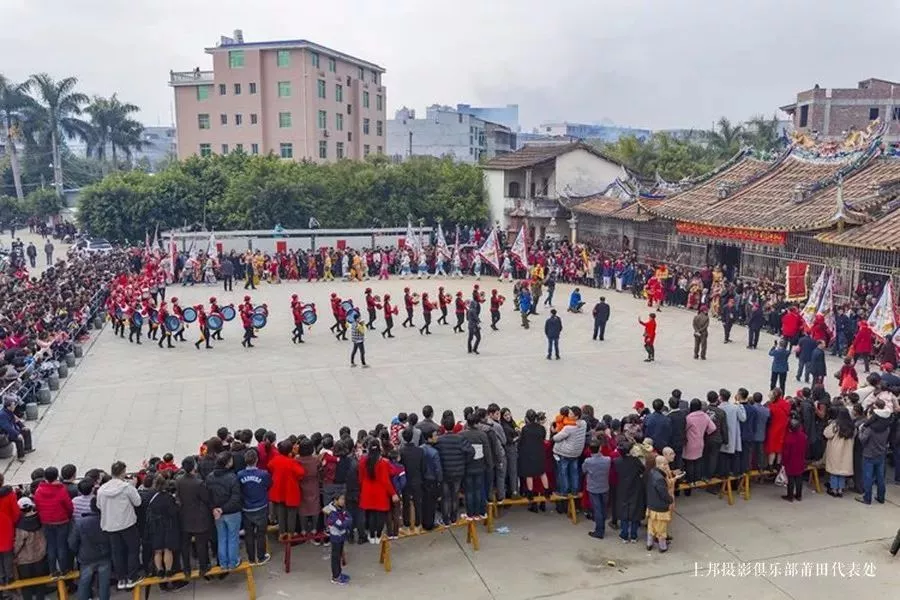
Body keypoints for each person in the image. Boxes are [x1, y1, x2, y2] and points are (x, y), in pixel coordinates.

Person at [97, 461, 142, 589]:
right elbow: (138, 502)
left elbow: (99, 506)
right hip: (127, 523)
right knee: (133, 549)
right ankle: (132, 577)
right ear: (123, 472)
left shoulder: (102, 489)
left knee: (116, 552)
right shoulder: (127, 487)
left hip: (110, 525)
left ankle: (121, 579)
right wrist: (134, 486)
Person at [33, 466, 74, 578]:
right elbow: (69, 506)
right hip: (61, 521)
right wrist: (68, 516)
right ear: (57, 476)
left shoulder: (39, 491)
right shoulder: (61, 490)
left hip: (46, 522)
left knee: (51, 546)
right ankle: (64, 569)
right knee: (61, 545)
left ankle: (53, 570)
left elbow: (37, 506)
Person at [176, 457, 212, 577]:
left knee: (185, 545)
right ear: (194, 467)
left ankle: (187, 569)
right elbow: (206, 498)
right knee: (201, 544)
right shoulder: (198, 483)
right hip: (199, 517)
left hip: (184, 516)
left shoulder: (179, 481)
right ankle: (203, 567)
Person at [69, 498, 111, 600]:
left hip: (86, 557)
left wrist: (77, 553)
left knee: (84, 583)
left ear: (91, 507)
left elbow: (72, 542)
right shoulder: (107, 520)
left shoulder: (80, 523)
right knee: (104, 584)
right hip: (104, 555)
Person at [205, 452, 242, 570]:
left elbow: (208, 496)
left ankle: (223, 563)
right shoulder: (232, 477)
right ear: (227, 463)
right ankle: (233, 562)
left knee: (221, 538)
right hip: (232, 512)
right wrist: (223, 509)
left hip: (217, 513)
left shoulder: (209, 477)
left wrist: (214, 509)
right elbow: (235, 497)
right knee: (233, 538)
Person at [433, 413, 472, 525]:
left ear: (444, 426)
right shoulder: (460, 438)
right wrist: (464, 462)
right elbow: (471, 451)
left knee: (445, 497)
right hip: (458, 470)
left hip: (445, 471)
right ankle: (454, 517)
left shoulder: (439, 440)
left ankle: (446, 519)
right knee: (455, 495)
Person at [237, 448, 272, 565]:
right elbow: (269, 485)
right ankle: (261, 557)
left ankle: (251, 558)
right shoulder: (264, 474)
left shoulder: (240, 475)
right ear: (257, 460)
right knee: (261, 533)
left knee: (249, 534)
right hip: (261, 507)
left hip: (246, 508)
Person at [359, 441, 398, 544]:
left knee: (371, 514)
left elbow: (360, 478)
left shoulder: (363, 460)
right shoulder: (383, 462)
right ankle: (378, 535)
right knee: (380, 515)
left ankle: (372, 536)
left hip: (367, 491)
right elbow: (387, 478)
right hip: (380, 492)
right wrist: (393, 493)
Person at [143, 475, 179, 578]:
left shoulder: (151, 497)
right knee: (168, 549)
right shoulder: (168, 497)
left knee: (157, 550)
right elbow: (173, 511)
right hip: (167, 525)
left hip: (155, 526)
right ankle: (168, 570)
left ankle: (159, 570)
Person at [856, 399, 892, 505]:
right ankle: (881, 497)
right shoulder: (887, 427)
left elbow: (862, 440)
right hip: (881, 454)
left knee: (868, 477)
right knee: (880, 477)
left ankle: (867, 498)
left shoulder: (870, 428)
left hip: (869, 454)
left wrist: (860, 431)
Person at [14, 496, 49, 593]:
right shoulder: (40, 519)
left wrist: (13, 555)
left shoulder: (20, 524)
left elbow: (18, 544)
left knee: (27, 584)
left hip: (24, 560)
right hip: (40, 555)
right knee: (40, 579)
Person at [613, 443, 646, 543]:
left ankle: (624, 535)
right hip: (635, 487)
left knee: (624, 511)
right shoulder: (635, 461)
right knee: (635, 511)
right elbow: (642, 469)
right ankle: (633, 535)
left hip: (622, 488)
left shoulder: (617, 461)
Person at [552, 406, 586, 496]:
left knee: (563, 473)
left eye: (571, 414)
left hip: (565, 453)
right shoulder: (583, 424)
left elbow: (556, 438)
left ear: (576, 416)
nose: (568, 415)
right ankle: (575, 490)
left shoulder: (568, 428)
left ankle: (564, 491)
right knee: (574, 472)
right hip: (576, 453)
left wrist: (554, 431)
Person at [582, 441, 610, 539]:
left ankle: (599, 531)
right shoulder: (607, 460)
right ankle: (602, 527)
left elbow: (583, 470)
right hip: (604, 486)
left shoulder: (588, 461)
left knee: (597, 510)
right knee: (603, 508)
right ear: (600, 448)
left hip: (593, 488)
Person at [824, 407, 854, 498]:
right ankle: (840, 490)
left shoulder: (835, 425)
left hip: (835, 450)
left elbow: (826, 434)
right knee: (842, 472)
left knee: (834, 470)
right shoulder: (851, 426)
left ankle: (834, 489)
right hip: (847, 451)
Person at [646, 455, 674, 552]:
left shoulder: (651, 472)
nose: (666, 466)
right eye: (664, 464)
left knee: (651, 526)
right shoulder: (660, 478)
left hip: (651, 505)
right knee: (661, 528)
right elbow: (664, 494)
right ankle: (662, 547)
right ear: (658, 464)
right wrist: (670, 500)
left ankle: (649, 544)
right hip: (660, 508)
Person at [683, 399, 715, 485]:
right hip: (700, 442)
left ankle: (690, 481)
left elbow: (684, 429)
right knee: (697, 461)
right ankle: (696, 480)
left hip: (690, 442)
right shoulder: (705, 416)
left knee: (689, 462)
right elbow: (712, 428)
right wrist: (704, 431)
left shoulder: (689, 417)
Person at [323, 493, 352, 585]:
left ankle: (339, 573)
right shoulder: (331, 512)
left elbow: (350, 518)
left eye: (344, 499)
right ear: (335, 500)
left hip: (341, 536)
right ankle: (335, 577)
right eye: (341, 499)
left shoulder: (341, 509)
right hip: (335, 537)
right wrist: (346, 521)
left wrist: (346, 520)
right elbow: (340, 525)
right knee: (335, 557)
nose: (343, 501)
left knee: (339, 556)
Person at [780, 419, 808, 502]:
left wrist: (783, 462)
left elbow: (785, 453)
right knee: (799, 478)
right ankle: (799, 496)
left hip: (790, 461)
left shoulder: (788, 438)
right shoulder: (803, 436)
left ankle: (790, 496)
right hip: (800, 460)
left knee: (791, 479)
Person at [0, 397, 34, 461]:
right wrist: (17, 434)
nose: (15, 406)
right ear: (8, 406)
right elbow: (7, 428)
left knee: (26, 431)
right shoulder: (2, 415)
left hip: (11, 431)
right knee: (18, 438)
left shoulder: (10, 412)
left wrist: (23, 426)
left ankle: (27, 449)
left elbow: (17, 420)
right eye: (13, 405)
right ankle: (20, 456)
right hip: (3, 435)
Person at [764, 388, 791, 467]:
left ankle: (770, 465)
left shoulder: (772, 406)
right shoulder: (786, 404)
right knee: (780, 448)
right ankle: (778, 464)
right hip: (783, 429)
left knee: (772, 448)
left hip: (774, 429)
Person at [0, 474, 18, 586]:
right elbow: (16, 512)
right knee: (7, 553)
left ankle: (1, 577)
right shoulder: (10, 494)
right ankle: (9, 577)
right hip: (6, 527)